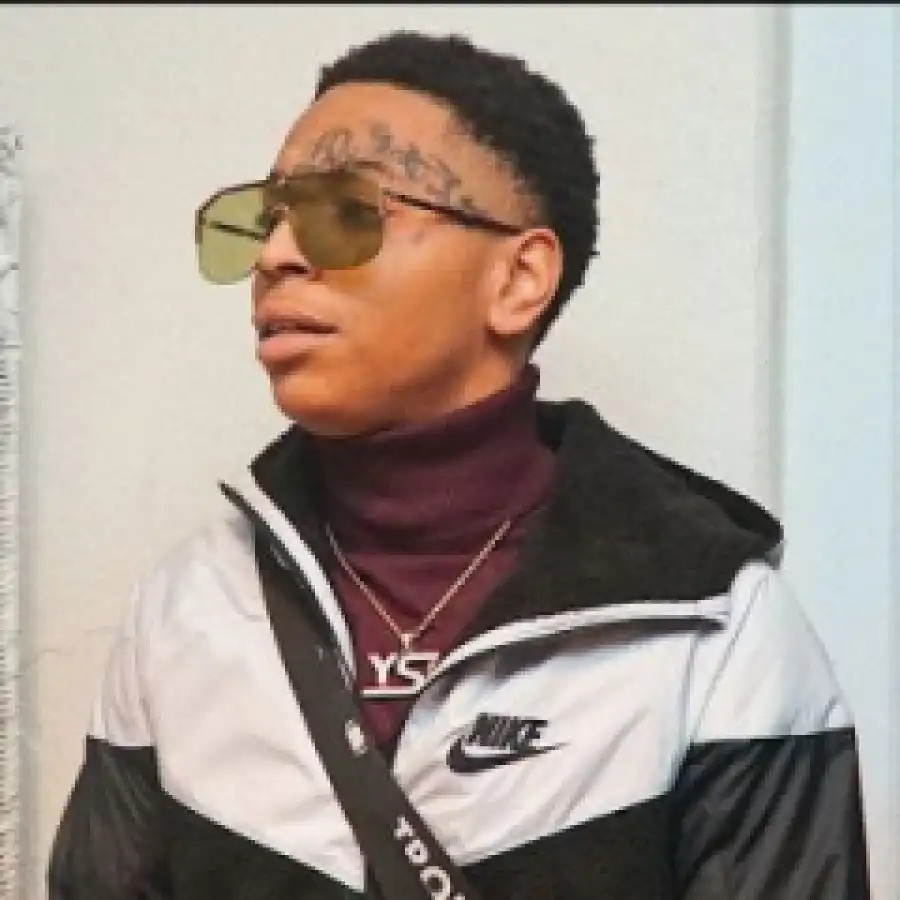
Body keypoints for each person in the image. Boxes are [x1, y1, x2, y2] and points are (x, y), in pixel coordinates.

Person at [48, 30, 870, 900]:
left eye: (344, 213)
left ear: (518, 279)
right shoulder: (189, 611)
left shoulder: (712, 631)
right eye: (266, 219)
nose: (275, 256)